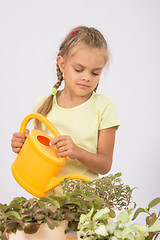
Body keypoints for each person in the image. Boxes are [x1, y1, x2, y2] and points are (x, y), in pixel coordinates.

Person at [11, 26, 120, 181]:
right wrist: (24, 145)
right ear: (62, 64)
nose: (86, 78)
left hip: (85, 199)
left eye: (95, 73)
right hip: (49, 197)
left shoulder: (104, 107)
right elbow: (40, 154)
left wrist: (77, 152)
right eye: (78, 69)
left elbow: (105, 165)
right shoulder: (43, 104)